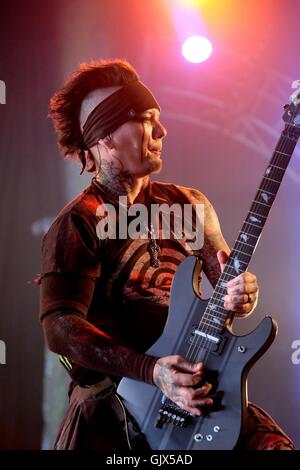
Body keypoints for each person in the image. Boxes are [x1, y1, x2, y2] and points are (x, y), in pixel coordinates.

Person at [39, 59, 295, 451]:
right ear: (106, 137)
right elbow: (60, 326)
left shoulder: (191, 205)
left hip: (199, 393)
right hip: (115, 412)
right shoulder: (78, 222)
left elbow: (228, 291)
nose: (161, 130)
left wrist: (243, 295)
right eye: (145, 119)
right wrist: (151, 370)